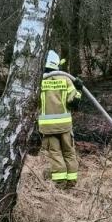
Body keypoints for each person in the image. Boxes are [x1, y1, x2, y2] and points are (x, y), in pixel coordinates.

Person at [38, 49, 82, 187]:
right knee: (69, 153)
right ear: (57, 63)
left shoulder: (39, 81)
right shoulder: (66, 79)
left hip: (48, 127)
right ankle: (71, 182)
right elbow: (74, 103)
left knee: (55, 154)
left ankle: (60, 184)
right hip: (65, 126)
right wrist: (79, 89)